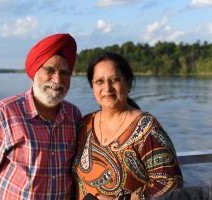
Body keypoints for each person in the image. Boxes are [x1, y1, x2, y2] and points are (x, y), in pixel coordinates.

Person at [0, 33, 82, 200]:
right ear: (35, 72)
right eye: (50, 70)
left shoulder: (74, 116)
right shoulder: (3, 113)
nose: (57, 79)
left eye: (64, 73)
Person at [72, 52, 183, 200]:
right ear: (92, 87)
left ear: (128, 83)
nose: (107, 87)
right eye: (99, 81)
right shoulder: (84, 125)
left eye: (115, 79)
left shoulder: (145, 127)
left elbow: (171, 182)